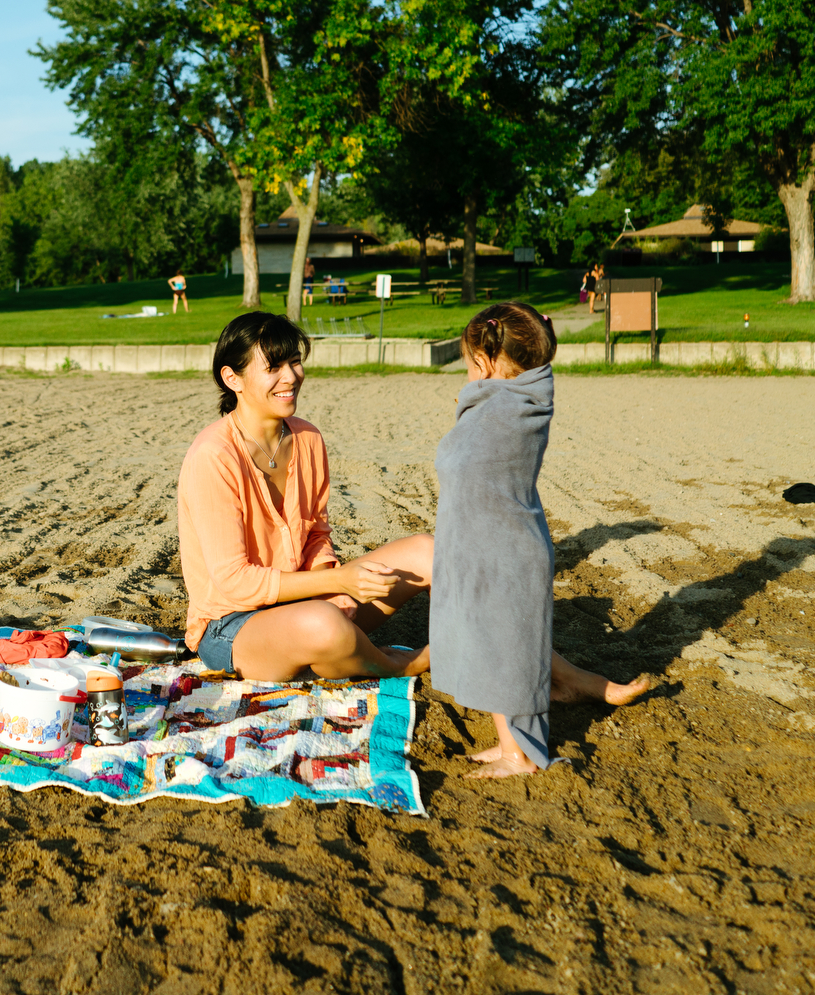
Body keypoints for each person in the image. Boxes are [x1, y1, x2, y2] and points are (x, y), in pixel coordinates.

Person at [431, 302, 651, 778]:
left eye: (471, 364)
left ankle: (522, 756)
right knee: (493, 647)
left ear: (487, 363)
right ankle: (510, 740)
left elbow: (466, 458)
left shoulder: (514, 410)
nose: (468, 375)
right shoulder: (511, 402)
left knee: (507, 653)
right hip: (486, 546)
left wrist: (474, 395)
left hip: (506, 552)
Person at [178, 312, 432, 681]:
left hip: (305, 601)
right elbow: (235, 581)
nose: (291, 377)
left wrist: (331, 582)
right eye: (274, 366)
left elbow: (315, 534)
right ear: (232, 378)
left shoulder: (307, 439)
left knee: (426, 552)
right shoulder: (213, 455)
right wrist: (337, 583)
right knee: (324, 625)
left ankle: (484, 649)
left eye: (295, 361)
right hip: (231, 625)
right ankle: (399, 662)